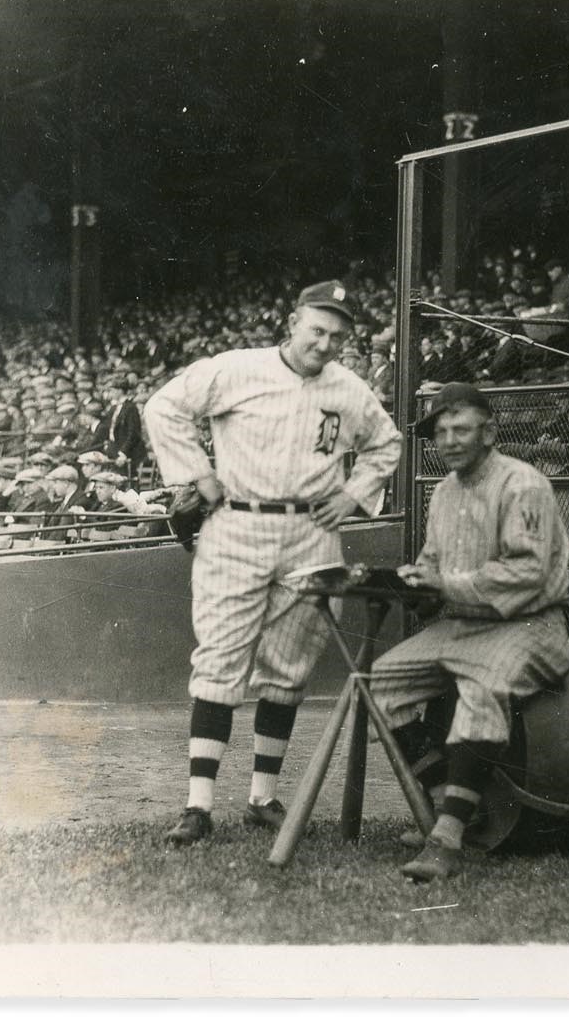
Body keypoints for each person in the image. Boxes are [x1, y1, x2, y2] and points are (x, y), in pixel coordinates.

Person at [142, 279, 402, 847]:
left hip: (311, 529)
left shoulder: (350, 388)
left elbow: (387, 444)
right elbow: (163, 407)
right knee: (220, 657)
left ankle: (262, 796)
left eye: (337, 334)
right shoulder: (237, 369)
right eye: (317, 329)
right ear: (292, 322)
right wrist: (199, 476)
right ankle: (198, 804)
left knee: (289, 667)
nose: (325, 343)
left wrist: (355, 495)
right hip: (237, 522)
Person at [366, 382, 569, 882]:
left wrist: (446, 584)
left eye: (461, 428)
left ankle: (446, 838)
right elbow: (434, 564)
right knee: (384, 680)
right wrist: (417, 584)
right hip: (464, 623)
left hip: (529, 624)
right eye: (441, 432)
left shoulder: (523, 484)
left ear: (491, 431)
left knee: (481, 686)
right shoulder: (443, 492)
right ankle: (449, 804)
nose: (449, 440)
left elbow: (526, 573)